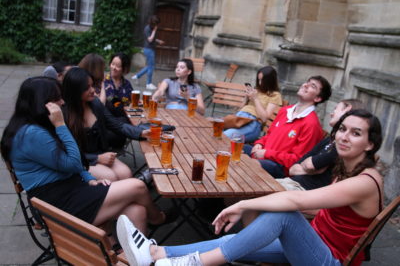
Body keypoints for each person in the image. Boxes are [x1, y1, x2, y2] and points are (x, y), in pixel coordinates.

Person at [116, 109, 383, 266]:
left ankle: (196, 264)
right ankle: (156, 253)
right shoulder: (346, 169)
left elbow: (298, 203)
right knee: (233, 240)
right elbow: (319, 210)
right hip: (312, 241)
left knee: (284, 216)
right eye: (342, 129)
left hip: (328, 260)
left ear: (370, 145)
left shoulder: (364, 182)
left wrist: (244, 203)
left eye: (355, 133)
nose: (344, 137)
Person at [0, 76, 170, 236]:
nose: (62, 102)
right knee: (137, 186)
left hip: (69, 188)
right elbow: (74, 162)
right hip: (56, 203)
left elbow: (74, 162)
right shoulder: (31, 133)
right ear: (42, 103)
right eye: (57, 98)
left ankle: (127, 258)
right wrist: (61, 124)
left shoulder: (36, 125)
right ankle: (158, 218)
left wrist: (89, 178)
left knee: (138, 211)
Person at [61, 67, 148, 182]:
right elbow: (64, 152)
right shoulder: (63, 114)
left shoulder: (95, 104)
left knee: (126, 174)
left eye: (92, 85)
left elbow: (117, 125)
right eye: (87, 88)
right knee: (111, 177)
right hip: (81, 159)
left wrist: (142, 132)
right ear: (75, 91)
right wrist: (96, 158)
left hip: (101, 153)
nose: (93, 90)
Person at [243, 75, 332, 179]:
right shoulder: (285, 110)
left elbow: (298, 160)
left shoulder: (311, 124)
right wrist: (259, 143)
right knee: (235, 147)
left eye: (313, 86)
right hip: (262, 155)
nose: (306, 85)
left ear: (317, 98)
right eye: (307, 82)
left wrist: (267, 153)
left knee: (250, 165)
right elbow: (269, 134)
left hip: (280, 168)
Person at [278, 98, 365, 191]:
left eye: (336, 109)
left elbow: (310, 165)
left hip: (304, 191)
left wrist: (311, 165)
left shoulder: (343, 145)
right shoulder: (329, 140)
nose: (331, 113)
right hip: (291, 182)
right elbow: (293, 169)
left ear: (347, 109)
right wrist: (313, 168)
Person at [223, 66, 282, 143]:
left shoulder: (275, 95)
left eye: (263, 80)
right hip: (239, 118)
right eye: (259, 80)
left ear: (270, 81)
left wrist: (255, 99)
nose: (260, 83)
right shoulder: (257, 90)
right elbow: (240, 109)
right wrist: (246, 98)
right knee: (214, 130)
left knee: (225, 136)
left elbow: (264, 118)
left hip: (253, 123)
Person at [132, 15, 164, 90]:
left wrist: (158, 41)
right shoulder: (148, 28)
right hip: (149, 49)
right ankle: (148, 84)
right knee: (151, 67)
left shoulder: (151, 28)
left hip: (150, 49)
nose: (158, 25)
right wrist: (154, 31)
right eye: (157, 24)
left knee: (149, 66)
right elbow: (149, 39)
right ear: (154, 23)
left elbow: (152, 39)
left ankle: (137, 76)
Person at [104, 52, 134, 122]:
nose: (114, 68)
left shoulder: (127, 84)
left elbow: (132, 102)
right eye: (112, 64)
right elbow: (107, 101)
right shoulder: (104, 81)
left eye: (118, 66)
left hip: (124, 118)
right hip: (108, 120)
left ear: (124, 69)